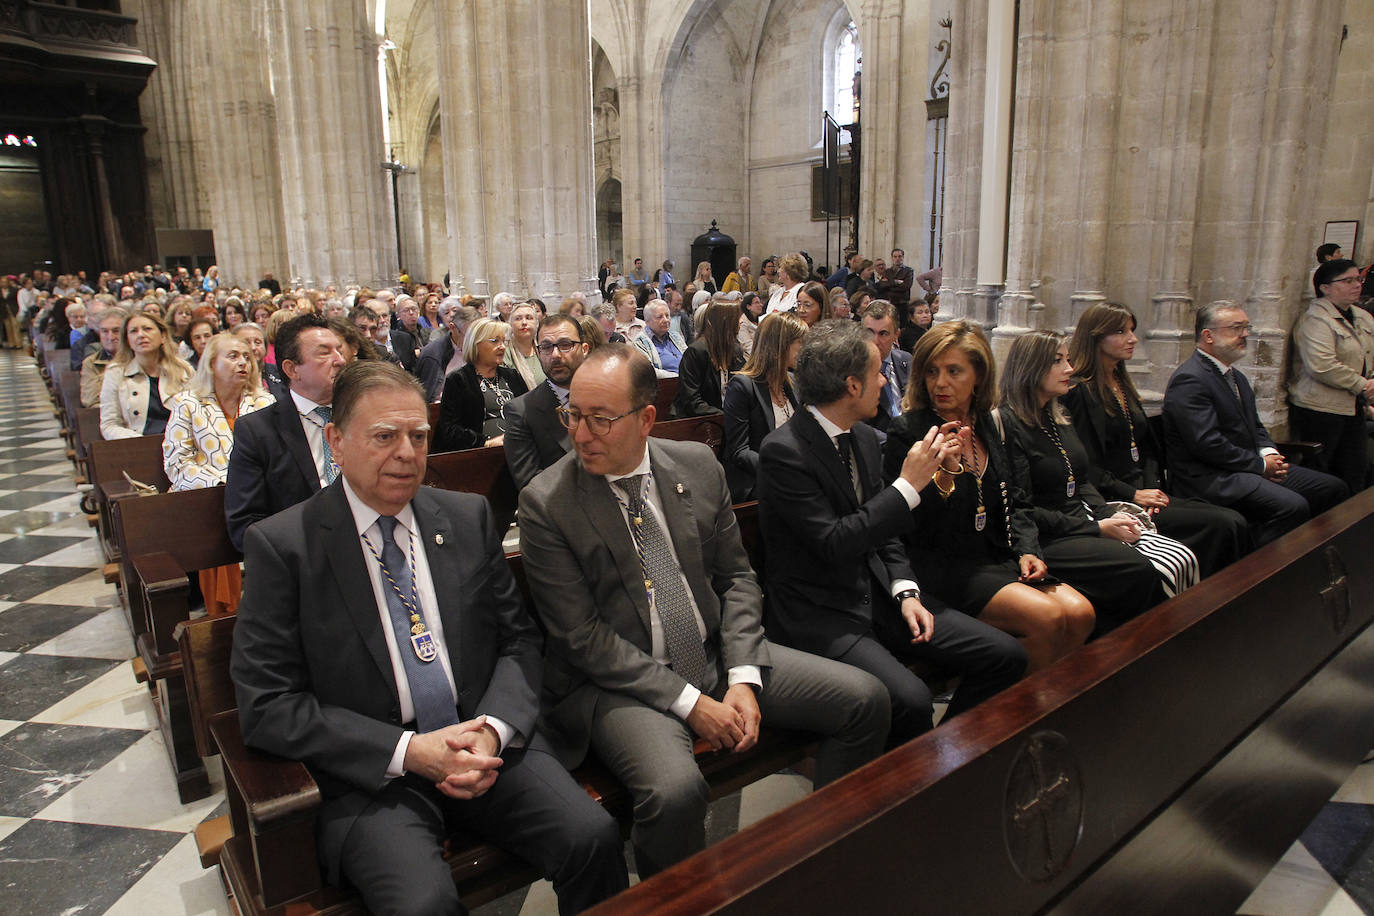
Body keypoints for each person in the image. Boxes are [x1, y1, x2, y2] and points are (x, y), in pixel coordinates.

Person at [231, 361, 628, 916]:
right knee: (424, 906)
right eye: (385, 437)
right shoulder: (285, 547)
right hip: (374, 773)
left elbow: (518, 640)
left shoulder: (465, 517)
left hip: (483, 742)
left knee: (593, 838)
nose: (407, 453)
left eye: (418, 436)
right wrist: (410, 752)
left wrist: (491, 730)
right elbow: (268, 705)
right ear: (336, 442)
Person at [518, 345, 889, 877]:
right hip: (619, 685)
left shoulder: (694, 464)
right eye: (573, 415)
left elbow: (736, 577)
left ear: (647, 418)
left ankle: (823, 864)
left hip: (714, 654)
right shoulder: (547, 501)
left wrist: (741, 676)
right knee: (675, 791)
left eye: (600, 420)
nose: (580, 434)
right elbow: (583, 638)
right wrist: (693, 703)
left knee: (865, 699)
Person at [757, 320, 1027, 746]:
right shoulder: (783, 452)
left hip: (880, 597)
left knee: (1005, 655)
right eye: (877, 373)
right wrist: (908, 485)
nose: (885, 381)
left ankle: (953, 755)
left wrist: (906, 590)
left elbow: (886, 536)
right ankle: (914, 787)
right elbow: (834, 543)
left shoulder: (863, 437)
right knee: (911, 699)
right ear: (852, 385)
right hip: (822, 612)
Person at [884, 322, 1095, 671]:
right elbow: (913, 528)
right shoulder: (910, 431)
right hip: (942, 565)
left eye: (954, 371)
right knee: (1047, 617)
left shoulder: (993, 424)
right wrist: (945, 477)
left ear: (978, 375)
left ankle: (1046, 702)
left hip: (994, 555)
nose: (940, 383)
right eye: (932, 372)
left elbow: (1018, 498)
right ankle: (1014, 717)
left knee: (1080, 613)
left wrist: (1028, 549)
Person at [1001, 331, 1199, 631]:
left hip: (1081, 519)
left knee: (1180, 556)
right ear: (1031, 367)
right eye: (1058, 362)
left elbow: (1080, 481)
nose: (1069, 369)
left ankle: (1172, 637)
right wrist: (1097, 527)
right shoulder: (1009, 424)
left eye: (1068, 360)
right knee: (1141, 569)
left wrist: (1109, 514)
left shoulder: (1057, 415)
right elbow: (1021, 508)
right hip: (1048, 536)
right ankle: (1141, 650)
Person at [1064, 303, 1249, 575]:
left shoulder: (1120, 382)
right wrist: (1134, 494)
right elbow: (1086, 464)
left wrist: (1150, 487)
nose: (1133, 339)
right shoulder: (1080, 391)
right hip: (1110, 498)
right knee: (1222, 523)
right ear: (1095, 336)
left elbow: (1146, 447)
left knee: (1232, 520)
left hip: (1145, 491)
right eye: (1121, 331)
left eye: (1132, 330)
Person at [1163, 301, 1349, 548]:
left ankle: (1308, 562)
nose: (1245, 334)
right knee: (1292, 506)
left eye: (1246, 327)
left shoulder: (1234, 375)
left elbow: (1256, 427)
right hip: (1210, 477)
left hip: (1244, 468)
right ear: (1208, 335)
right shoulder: (1191, 379)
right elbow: (1206, 443)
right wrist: (1261, 466)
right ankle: (1253, 574)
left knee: (1331, 488)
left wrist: (1269, 453)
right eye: (1236, 328)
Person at [163, 333, 274, 616]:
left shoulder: (263, 402)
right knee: (214, 520)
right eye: (233, 356)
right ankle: (223, 613)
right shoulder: (188, 403)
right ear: (211, 364)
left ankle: (269, 604)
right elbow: (177, 463)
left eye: (247, 357)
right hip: (206, 498)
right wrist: (222, 483)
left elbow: (276, 455)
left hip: (256, 496)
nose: (243, 363)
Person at [225, 315, 350, 552]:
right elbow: (245, 525)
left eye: (339, 350)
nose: (340, 360)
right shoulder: (257, 431)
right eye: (324, 353)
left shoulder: (361, 416)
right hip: (305, 560)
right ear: (292, 369)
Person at [1287, 259, 1374, 493]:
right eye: (1348, 281)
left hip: (1352, 405)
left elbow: (1367, 355)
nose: (1356, 285)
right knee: (1323, 470)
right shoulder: (1315, 320)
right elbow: (1322, 365)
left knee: (1356, 469)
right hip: (1320, 407)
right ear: (1325, 288)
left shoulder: (1363, 317)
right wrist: (1363, 385)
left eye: (1358, 279)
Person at [722, 311, 807, 502]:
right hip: (759, 478)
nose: (805, 349)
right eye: (800, 342)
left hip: (795, 474)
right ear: (780, 346)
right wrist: (781, 469)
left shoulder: (793, 381)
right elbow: (739, 451)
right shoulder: (743, 386)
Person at [504, 315, 590, 491]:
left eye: (565, 345)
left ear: (584, 349)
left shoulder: (607, 396)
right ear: (537, 352)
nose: (556, 355)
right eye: (546, 347)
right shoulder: (522, 411)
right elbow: (531, 484)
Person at [436, 317, 529, 451]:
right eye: (494, 341)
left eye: (504, 341)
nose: (502, 346)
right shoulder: (458, 380)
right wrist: (486, 442)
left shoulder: (512, 376)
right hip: (481, 455)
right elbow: (450, 429)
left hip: (519, 449)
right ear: (476, 344)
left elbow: (528, 413)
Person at [99, 311, 194, 440]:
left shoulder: (183, 369)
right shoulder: (116, 373)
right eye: (133, 331)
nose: (141, 335)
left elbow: (198, 415)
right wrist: (139, 442)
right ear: (127, 340)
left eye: (147, 329)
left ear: (163, 336)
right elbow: (109, 425)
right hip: (137, 445)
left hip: (182, 444)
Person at [673, 299, 744, 417]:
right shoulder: (696, 352)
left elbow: (741, 389)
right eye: (737, 317)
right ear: (724, 322)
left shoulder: (735, 349)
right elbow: (692, 401)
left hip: (727, 417)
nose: (741, 321)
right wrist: (726, 416)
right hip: (699, 422)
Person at [415, 297, 479, 402]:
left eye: (478, 336)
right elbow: (429, 398)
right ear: (452, 328)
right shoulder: (433, 355)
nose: (474, 341)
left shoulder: (481, 346)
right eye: (468, 336)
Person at [860, 300, 910, 433]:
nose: (875, 341)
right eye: (869, 332)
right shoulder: (853, 369)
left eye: (883, 334)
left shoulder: (906, 360)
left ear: (896, 336)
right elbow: (855, 425)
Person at [80, 306, 128, 408]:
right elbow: (90, 400)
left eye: (116, 331)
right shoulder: (91, 363)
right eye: (105, 331)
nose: (110, 337)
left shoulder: (140, 357)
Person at [632, 300, 686, 374]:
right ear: (647, 321)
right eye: (659, 317)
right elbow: (649, 371)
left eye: (667, 315)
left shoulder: (676, 336)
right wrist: (678, 377)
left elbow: (690, 360)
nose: (666, 320)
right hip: (666, 383)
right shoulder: (640, 342)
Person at [502, 301, 546, 389]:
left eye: (529, 318)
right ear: (510, 324)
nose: (524, 322)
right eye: (518, 319)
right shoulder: (503, 353)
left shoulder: (544, 350)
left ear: (537, 323)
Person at [875, 248, 914, 320]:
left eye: (899, 256)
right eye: (895, 257)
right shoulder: (888, 271)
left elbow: (906, 286)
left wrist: (889, 284)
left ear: (903, 257)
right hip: (890, 302)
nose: (897, 259)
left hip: (903, 302)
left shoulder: (908, 271)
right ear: (892, 258)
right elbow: (882, 285)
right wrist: (896, 282)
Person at [390, 296, 423, 373]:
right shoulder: (397, 337)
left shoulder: (426, 331)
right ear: (398, 315)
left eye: (414, 309)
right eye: (406, 310)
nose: (411, 313)